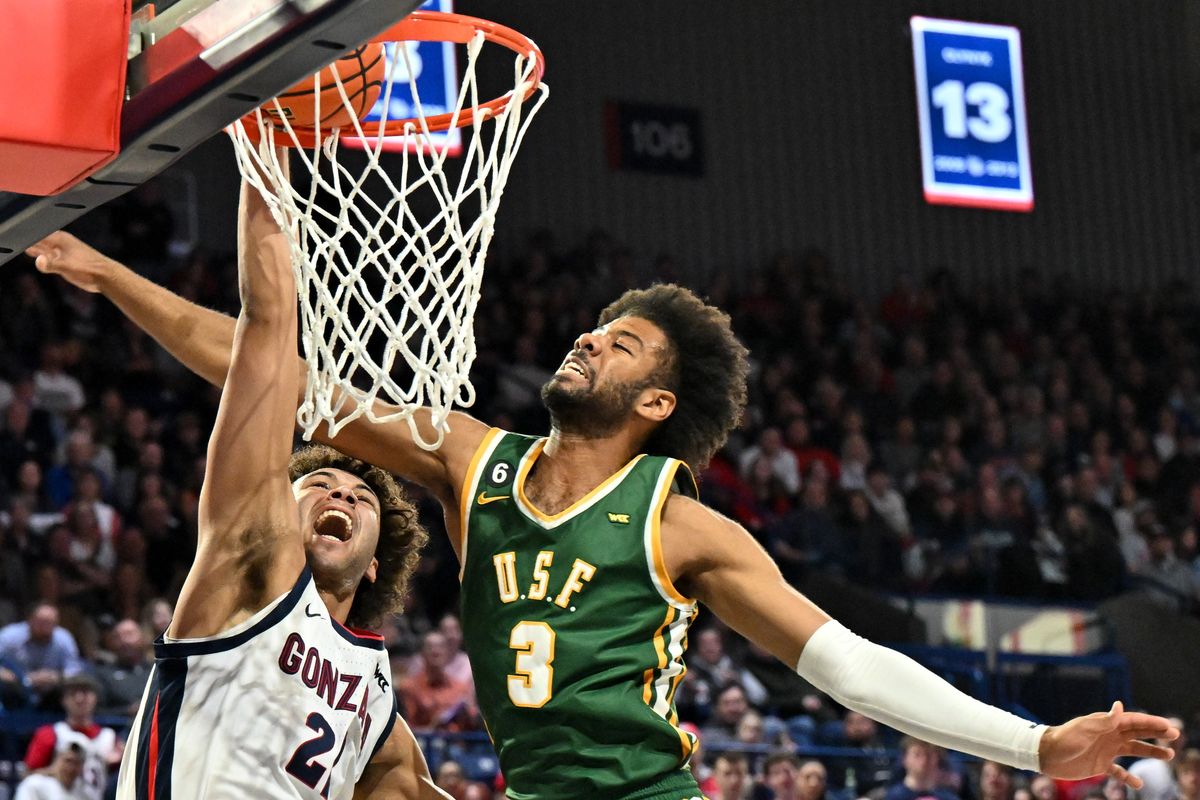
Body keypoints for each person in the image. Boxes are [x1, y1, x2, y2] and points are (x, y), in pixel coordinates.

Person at [27, 231, 1181, 800]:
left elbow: (849, 666)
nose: (587, 336)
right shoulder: (470, 460)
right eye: (595, 326)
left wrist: (1036, 744)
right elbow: (268, 377)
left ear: (658, 401)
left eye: (619, 342)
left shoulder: (682, 526)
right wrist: (116, 281)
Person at [29, 172, 444, 798]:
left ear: (374, 568)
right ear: (280, 506)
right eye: (321, 485)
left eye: (361, 500)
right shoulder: (261, 555)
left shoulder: (376, 695)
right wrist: (262, 154)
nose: (342, 496)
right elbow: (269, 328)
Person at [23, 674, 121, 800]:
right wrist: (54, 771)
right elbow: (28, 775)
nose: (79, 699)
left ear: (95, 698)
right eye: (73, 694)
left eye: (85, 693)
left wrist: (119, 762)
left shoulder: (110, 737)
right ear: (63, 700)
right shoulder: (51, 733)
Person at [884, 738, 961, 800]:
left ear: (937, 758)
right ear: (904, 759)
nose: (924, 760)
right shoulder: (893, 796)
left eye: (929, 755)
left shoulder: (949, 797)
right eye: (917, 754)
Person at [14, 737, 88, 800]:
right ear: (57, 759)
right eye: (67, 761)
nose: (71, 768)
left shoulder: (83, 794)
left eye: (76, 763)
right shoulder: (35, 784)